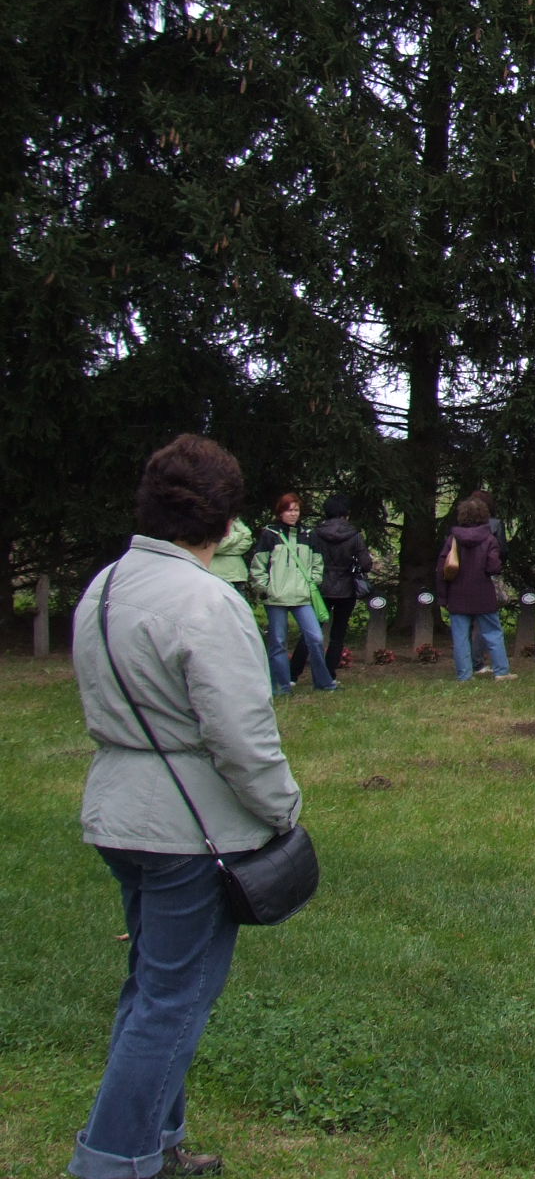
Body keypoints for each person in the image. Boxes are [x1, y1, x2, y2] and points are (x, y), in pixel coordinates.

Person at [68, 434, 303, 1179]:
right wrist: (284, 811)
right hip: (187, 830)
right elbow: (241, 737)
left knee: (153, 987)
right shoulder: (207, 600)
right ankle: (111, 1163)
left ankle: (157, 1145)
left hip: (120, 815)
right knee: (173, 1000)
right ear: (226, 520)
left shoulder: (107, 584)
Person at [250, 493, 335, 694]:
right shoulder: (270, 534)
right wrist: (265, 588)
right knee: (278, 642)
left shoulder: (309, 535)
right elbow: (258, 565)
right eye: (289, 510)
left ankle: (323, 682)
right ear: (280, 512)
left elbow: (317, 563)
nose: (293, 514)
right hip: (276, 597)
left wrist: (313, 582)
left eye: (296, 510)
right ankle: (281, 686)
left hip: (302, 596)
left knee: (315, 638)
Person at [437, 496, 512, 681]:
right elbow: (493, 567)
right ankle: (501, 672)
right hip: (483, 593)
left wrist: (443, 597)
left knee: (460, 637)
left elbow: (441, 569)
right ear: (485, 515)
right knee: (493, 633)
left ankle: (464, 675)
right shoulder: (489, 539)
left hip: (457, 593)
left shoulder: (453, 539)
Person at [305, 495, 371, 681]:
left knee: (310, 630)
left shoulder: (315, 533)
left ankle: (293, 672)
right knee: (338, 634)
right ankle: (329, 674)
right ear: (346, 513)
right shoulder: (354, 535)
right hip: (346, 587)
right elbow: (366, 564)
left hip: (320, 585)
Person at [206, 516, 252, 593]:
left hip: (235, 577)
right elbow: (214, 544)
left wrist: (221, 548)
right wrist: (238, 535)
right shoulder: (205, 517)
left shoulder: (234, 518)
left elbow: (247, 542)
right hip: (212, 575)